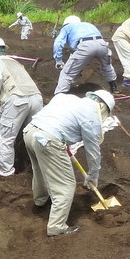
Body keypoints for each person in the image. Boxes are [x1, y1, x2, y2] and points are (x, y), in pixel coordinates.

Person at [22, 90, 114, 236]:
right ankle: (56, 227)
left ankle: (40, 200)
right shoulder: (91, 116)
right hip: (48, 139)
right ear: (103, 108)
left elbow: (60, 121)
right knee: (65, 185)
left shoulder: (68, 98)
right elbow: (92, 150)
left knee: (40, 169)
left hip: (30, 132)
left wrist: (63, 141)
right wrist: (93, 174)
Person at [0, 36, 43, 177]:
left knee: (7, 139)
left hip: (17, 100)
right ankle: (40, 168)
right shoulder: (14, 61)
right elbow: (9, 100)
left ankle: (6, 172)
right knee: (36, 136)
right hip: (36, 98)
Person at [53, 15, 119, 94]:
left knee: (66, 73)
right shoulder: (89, 25)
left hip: (85, 45)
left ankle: (59, 95)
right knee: (107, 66)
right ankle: (114, 88)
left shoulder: (66, 27)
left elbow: (58, 43)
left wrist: (58, 61)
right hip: (102, 44)